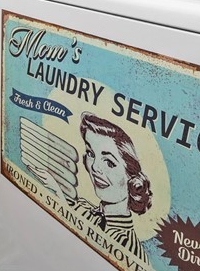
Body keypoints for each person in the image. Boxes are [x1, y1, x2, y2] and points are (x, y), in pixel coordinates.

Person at [31, 112, 152, 263]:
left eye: (109, 162)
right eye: (91, 153)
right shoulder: (82, 207)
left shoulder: (129, 246)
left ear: (132, 177)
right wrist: (55, 187)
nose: (95, 167)